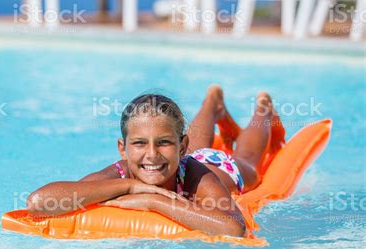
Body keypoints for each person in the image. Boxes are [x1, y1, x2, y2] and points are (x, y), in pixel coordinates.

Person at [26, 85, 285, 237]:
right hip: (177, 159)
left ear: (181, 146)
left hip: (217, 166)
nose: (151, 154)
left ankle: (263, 108)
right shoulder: (118, 173)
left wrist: (153, 200)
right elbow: (39, 203)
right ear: (123, 149)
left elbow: (234, 229)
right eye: (139, 143)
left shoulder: (198, 176)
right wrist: (130, 187)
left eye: (163, 142)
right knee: (170, 149)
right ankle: (213, 103)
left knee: (247, 160)